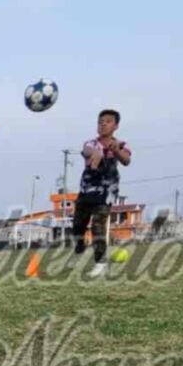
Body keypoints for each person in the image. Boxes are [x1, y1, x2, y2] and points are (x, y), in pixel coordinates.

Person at [72, 110, 131, 276]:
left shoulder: (121, 145)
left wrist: (116, 151)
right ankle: (79, 248)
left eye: (108, 121)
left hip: (106, 193)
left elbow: (126, 160)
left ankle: (100, 262)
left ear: (116, 126)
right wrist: (95, 153)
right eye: (100, 121)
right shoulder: (91, 143)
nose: (103, 124)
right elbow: (86, 151)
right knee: (78, 225)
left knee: (98, 226)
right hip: (86, 191)